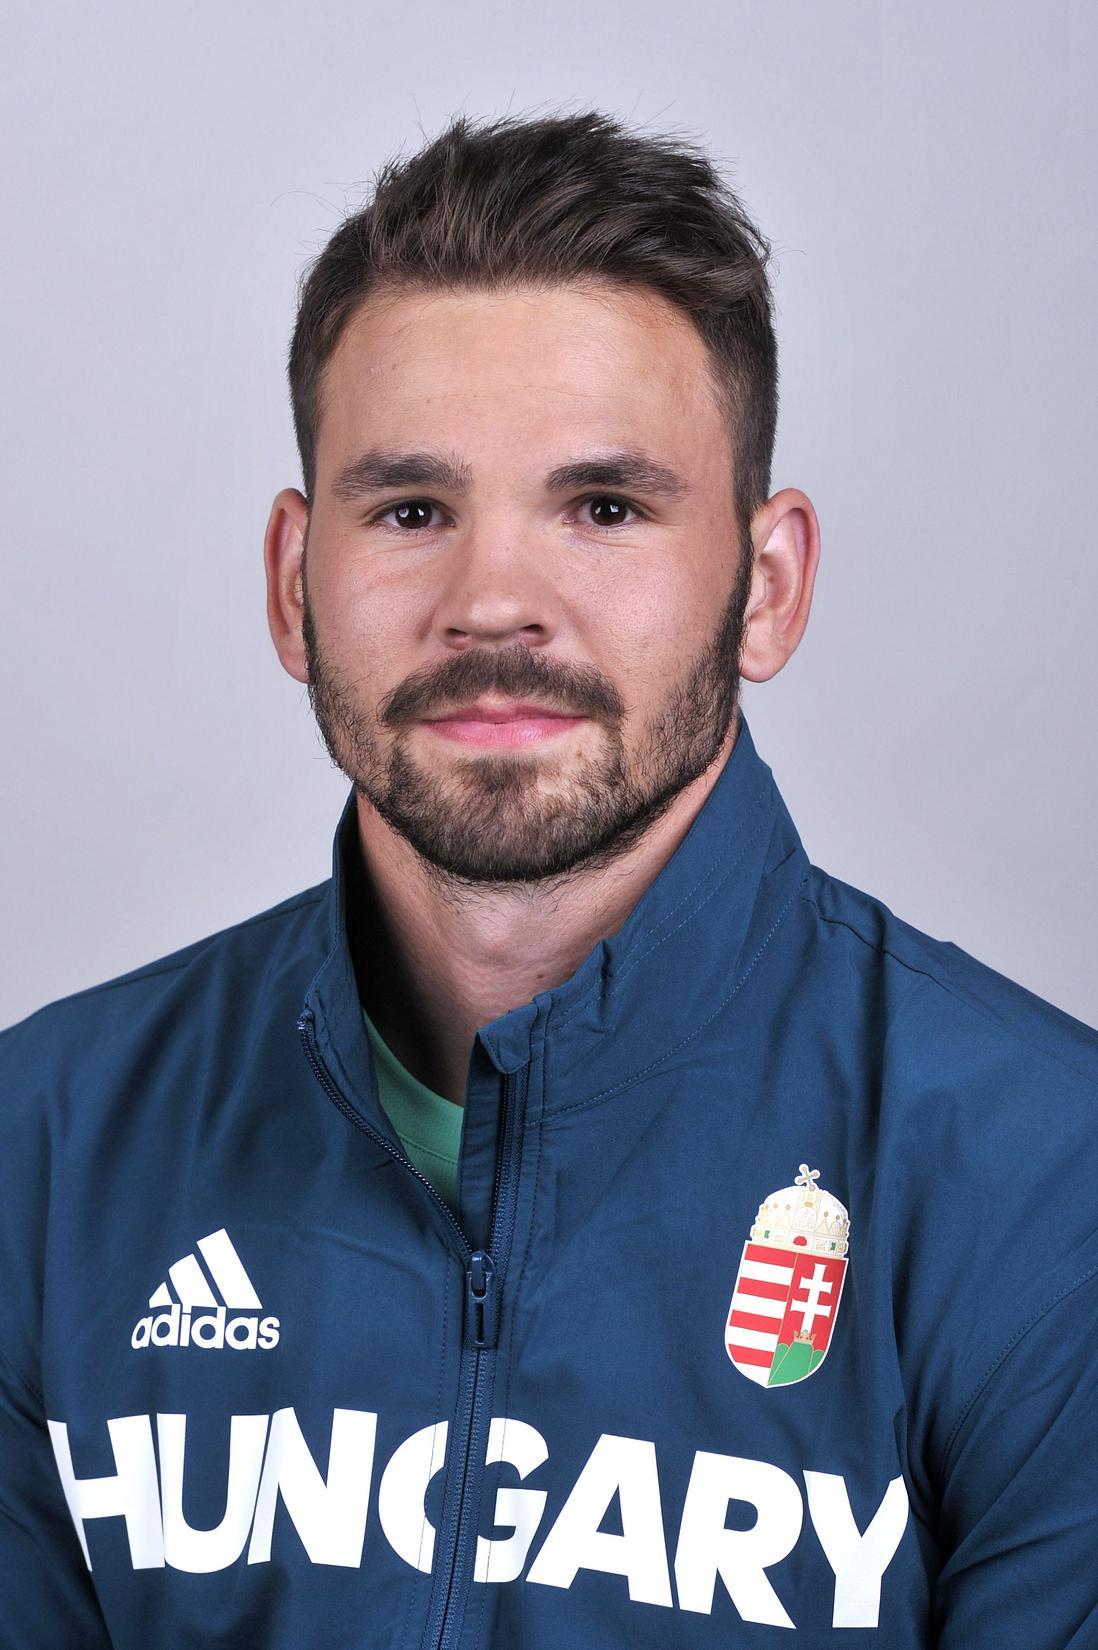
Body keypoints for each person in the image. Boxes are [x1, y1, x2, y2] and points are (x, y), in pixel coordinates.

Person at [1, 110, 1095, 1650]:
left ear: (766, 586)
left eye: (603, 509)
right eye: (411, 511)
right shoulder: (41, 1148)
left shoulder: (1047, 1185)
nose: (494, 601)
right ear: (293, 586)